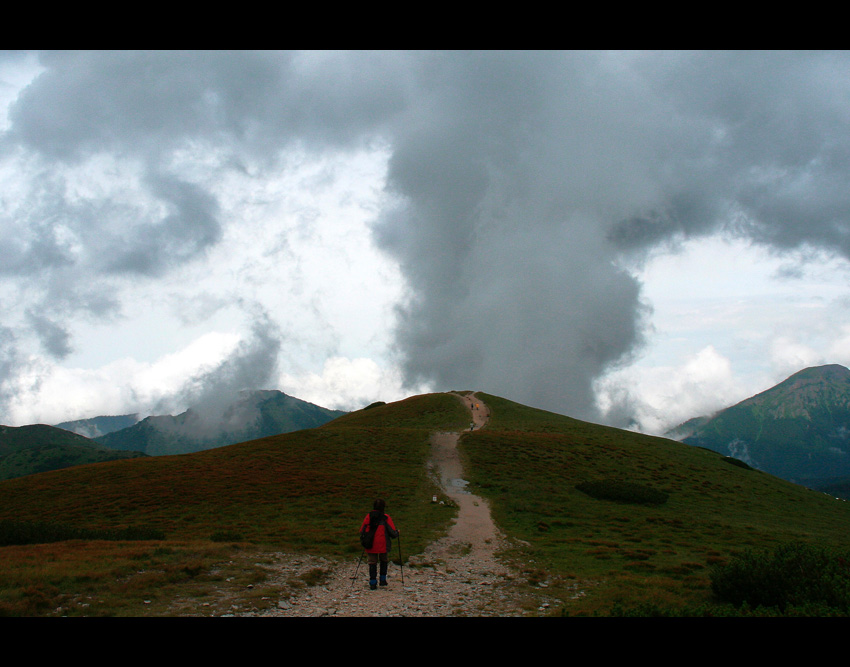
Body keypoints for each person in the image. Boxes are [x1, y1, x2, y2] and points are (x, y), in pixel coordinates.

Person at [359, 498, 399, 590]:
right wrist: (397, 533)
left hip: (370, 544)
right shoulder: (386, 517)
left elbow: (362, 530)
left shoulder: (368, 516)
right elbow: (392, 532)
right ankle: (382, 580)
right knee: (383, 560)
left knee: (372, 562)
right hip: (383, 544)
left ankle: (373, 583)